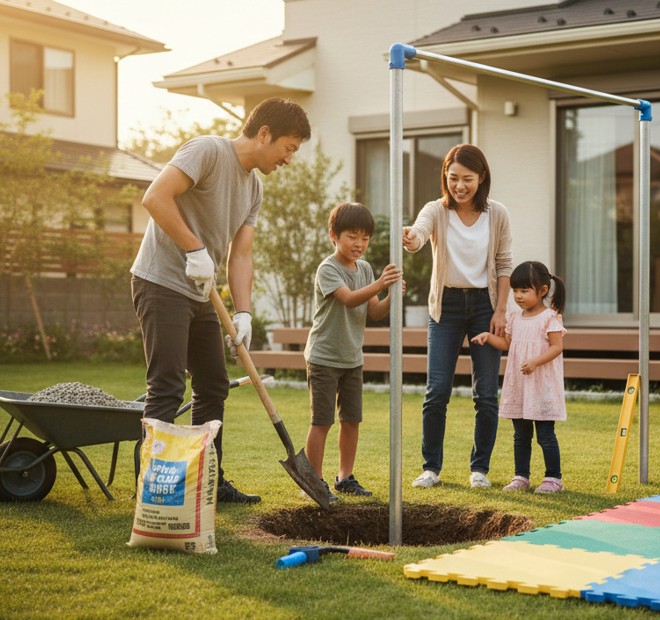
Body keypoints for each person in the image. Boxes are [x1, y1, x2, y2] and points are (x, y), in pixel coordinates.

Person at [130, 97, 311, 504]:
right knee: (168, 384)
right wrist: (194, 249)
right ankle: (152, 486)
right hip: (161, 281)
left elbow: (240, 254)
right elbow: (155, 196)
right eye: (289, 147)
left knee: (212, 384)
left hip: (200, 291)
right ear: (264, 133)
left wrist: (243, 312)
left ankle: (208, 478)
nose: (289, 158)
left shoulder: (254, 187)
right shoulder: (207, 151)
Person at [403, 144, 513, 489]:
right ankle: (431, 468)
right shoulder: (436, 210)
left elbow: (505, 263)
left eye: (467, 179)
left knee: (486, 394)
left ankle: (479, 469)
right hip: (445, 307)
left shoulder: (497, 214)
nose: (459, 186)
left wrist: (500, 311)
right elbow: (420, 232)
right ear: (445, 178)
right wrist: (412, 238)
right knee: (437, 390)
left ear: (481, 178)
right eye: (453, 178)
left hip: (485, 305)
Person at [304, 202, 404, 501]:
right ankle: (314, 480)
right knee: (322, 421)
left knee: (351, 420)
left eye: (365, 238)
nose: (359, 244)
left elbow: (373, 312)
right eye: (352, 236)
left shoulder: (364, 269)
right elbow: (348, 299)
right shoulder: (328, 269)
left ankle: (345, 477)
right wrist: (379, 284)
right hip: (324, 357)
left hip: (351, 358)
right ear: (333, 235)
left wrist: (391, 294)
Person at [471, 261, 567, 494]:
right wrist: (488, 336)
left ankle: (553, 478)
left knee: (545, 435)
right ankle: (521, 476)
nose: (518, 296)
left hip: (542, 386)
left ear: (542, 291)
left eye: (524, 291)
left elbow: (557, 347)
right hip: (520, 386)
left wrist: (535, 362)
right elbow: (506, 344)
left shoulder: (550, 318)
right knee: (520, 435)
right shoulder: (514, 318)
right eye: (515, 291)